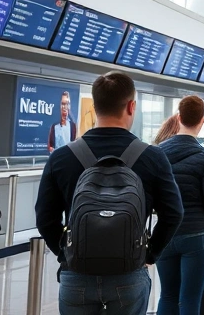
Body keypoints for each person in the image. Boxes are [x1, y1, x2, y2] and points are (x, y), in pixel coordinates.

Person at [35, 71, 183, 315]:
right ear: (131, 106)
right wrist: (149, 253)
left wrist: (66, 254)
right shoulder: (153, 157)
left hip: (77, 275)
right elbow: (174, 214)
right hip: (129, 274)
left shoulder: (61, 157)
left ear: (94, 106)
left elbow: (44, 219)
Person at [153, 96, 204, 315]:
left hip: (165, 234)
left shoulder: (157, 153)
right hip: (197, 235)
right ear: (202, 121)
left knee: (167, 295)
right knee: (190, 299)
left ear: (178, 118)